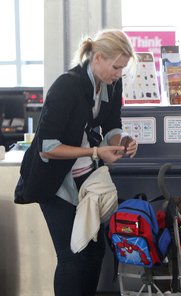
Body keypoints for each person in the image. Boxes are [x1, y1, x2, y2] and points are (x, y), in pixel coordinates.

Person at [16, 29, 138, 296]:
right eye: (116, 67)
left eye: (122, 69)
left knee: (94, 253)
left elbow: (111, 126)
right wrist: (96, 153)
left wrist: (123, 139)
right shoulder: (66, 86)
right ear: (97, 58)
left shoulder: (111, 85)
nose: (119, 74)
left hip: (85, 179)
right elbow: (48, 148)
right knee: (72, 257)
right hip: (54, 182)